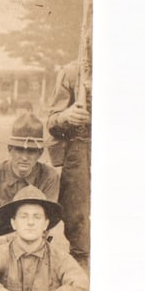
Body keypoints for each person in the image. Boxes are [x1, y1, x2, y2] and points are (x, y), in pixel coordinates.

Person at [0, 112, 60, 261]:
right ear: (10, 149)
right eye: (19, 149)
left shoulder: (48, 177)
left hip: (30, 250)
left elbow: (42, 231)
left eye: (31, 151)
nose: (24, 157)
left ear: (40, 153)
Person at [46, 59, 91, 269]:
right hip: (81, 153)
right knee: (79, 225)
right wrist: (67, 115)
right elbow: (52, 122)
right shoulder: (73, 73)